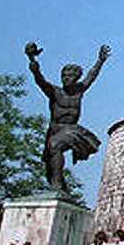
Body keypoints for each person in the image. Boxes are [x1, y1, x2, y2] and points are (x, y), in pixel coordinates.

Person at [25, 42, 110, 192]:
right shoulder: (55, 92)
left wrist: (100, 61)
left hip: (71, 129)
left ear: (76, 78)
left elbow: (92, 76)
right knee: (49, 167)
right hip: (54, 129)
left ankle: (57, 186)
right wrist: (34, 65)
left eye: (70, 76)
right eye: (64, 75)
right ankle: (61, 188)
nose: (66, 78)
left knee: (54, 146)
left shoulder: (79, 90)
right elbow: (40, 81)